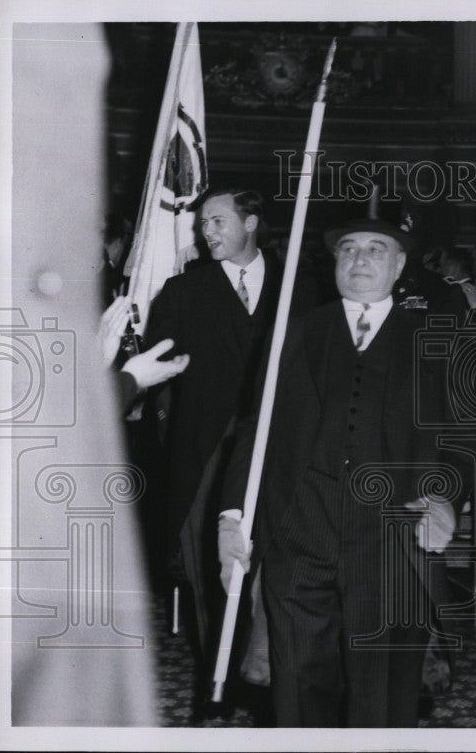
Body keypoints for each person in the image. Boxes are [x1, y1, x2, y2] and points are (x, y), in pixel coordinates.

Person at [218, 216, 456, 727]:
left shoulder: (432, 337)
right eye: (348, 250)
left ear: (399, 265)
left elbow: (457, 437)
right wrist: (231, 517)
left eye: (375, 249)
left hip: (393, 534)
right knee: (298, 680)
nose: (360, 259)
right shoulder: (297, 331)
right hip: (300, 528)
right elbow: (255, 430)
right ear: (335, 265)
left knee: (382, 687)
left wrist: (443, 500)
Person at [141, 187, 288, 702]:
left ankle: (268, 681)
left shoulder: (300, 285)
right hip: (205, 452)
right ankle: (216, 686)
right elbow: (153, 375)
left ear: (251, 222)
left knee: (277, 569)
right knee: (211, 571)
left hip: (281, 451)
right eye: (204, 223)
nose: (207, 232)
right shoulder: (184, 292)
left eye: (218, 221)